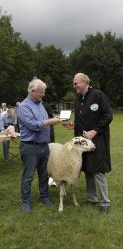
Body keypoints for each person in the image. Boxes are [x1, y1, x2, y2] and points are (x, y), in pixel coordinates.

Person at [17, 78, 61, 213]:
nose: (43, 95)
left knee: (44, 175)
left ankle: (44, 197)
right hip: (30, 147)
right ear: (32, 91)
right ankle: (25, 202)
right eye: (41, 92)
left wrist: (54, 122)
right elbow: (32, 125)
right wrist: (49, 122)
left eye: (44, 92)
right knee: (28, 176)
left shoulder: (40, 104)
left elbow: (42, 122)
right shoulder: (23, 106)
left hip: (43, 146)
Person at [73, 73, 113, 214]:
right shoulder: (78, 99)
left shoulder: (98, 95)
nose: (74, 86)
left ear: (85, 82)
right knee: (88, 169)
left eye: (76, 83)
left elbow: (108, 116)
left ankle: (105, 203)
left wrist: (94, 131)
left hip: (97, 139)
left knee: (98, 170)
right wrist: (74, 126)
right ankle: (91, 199)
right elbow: (81, 120)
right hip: (83, 141)